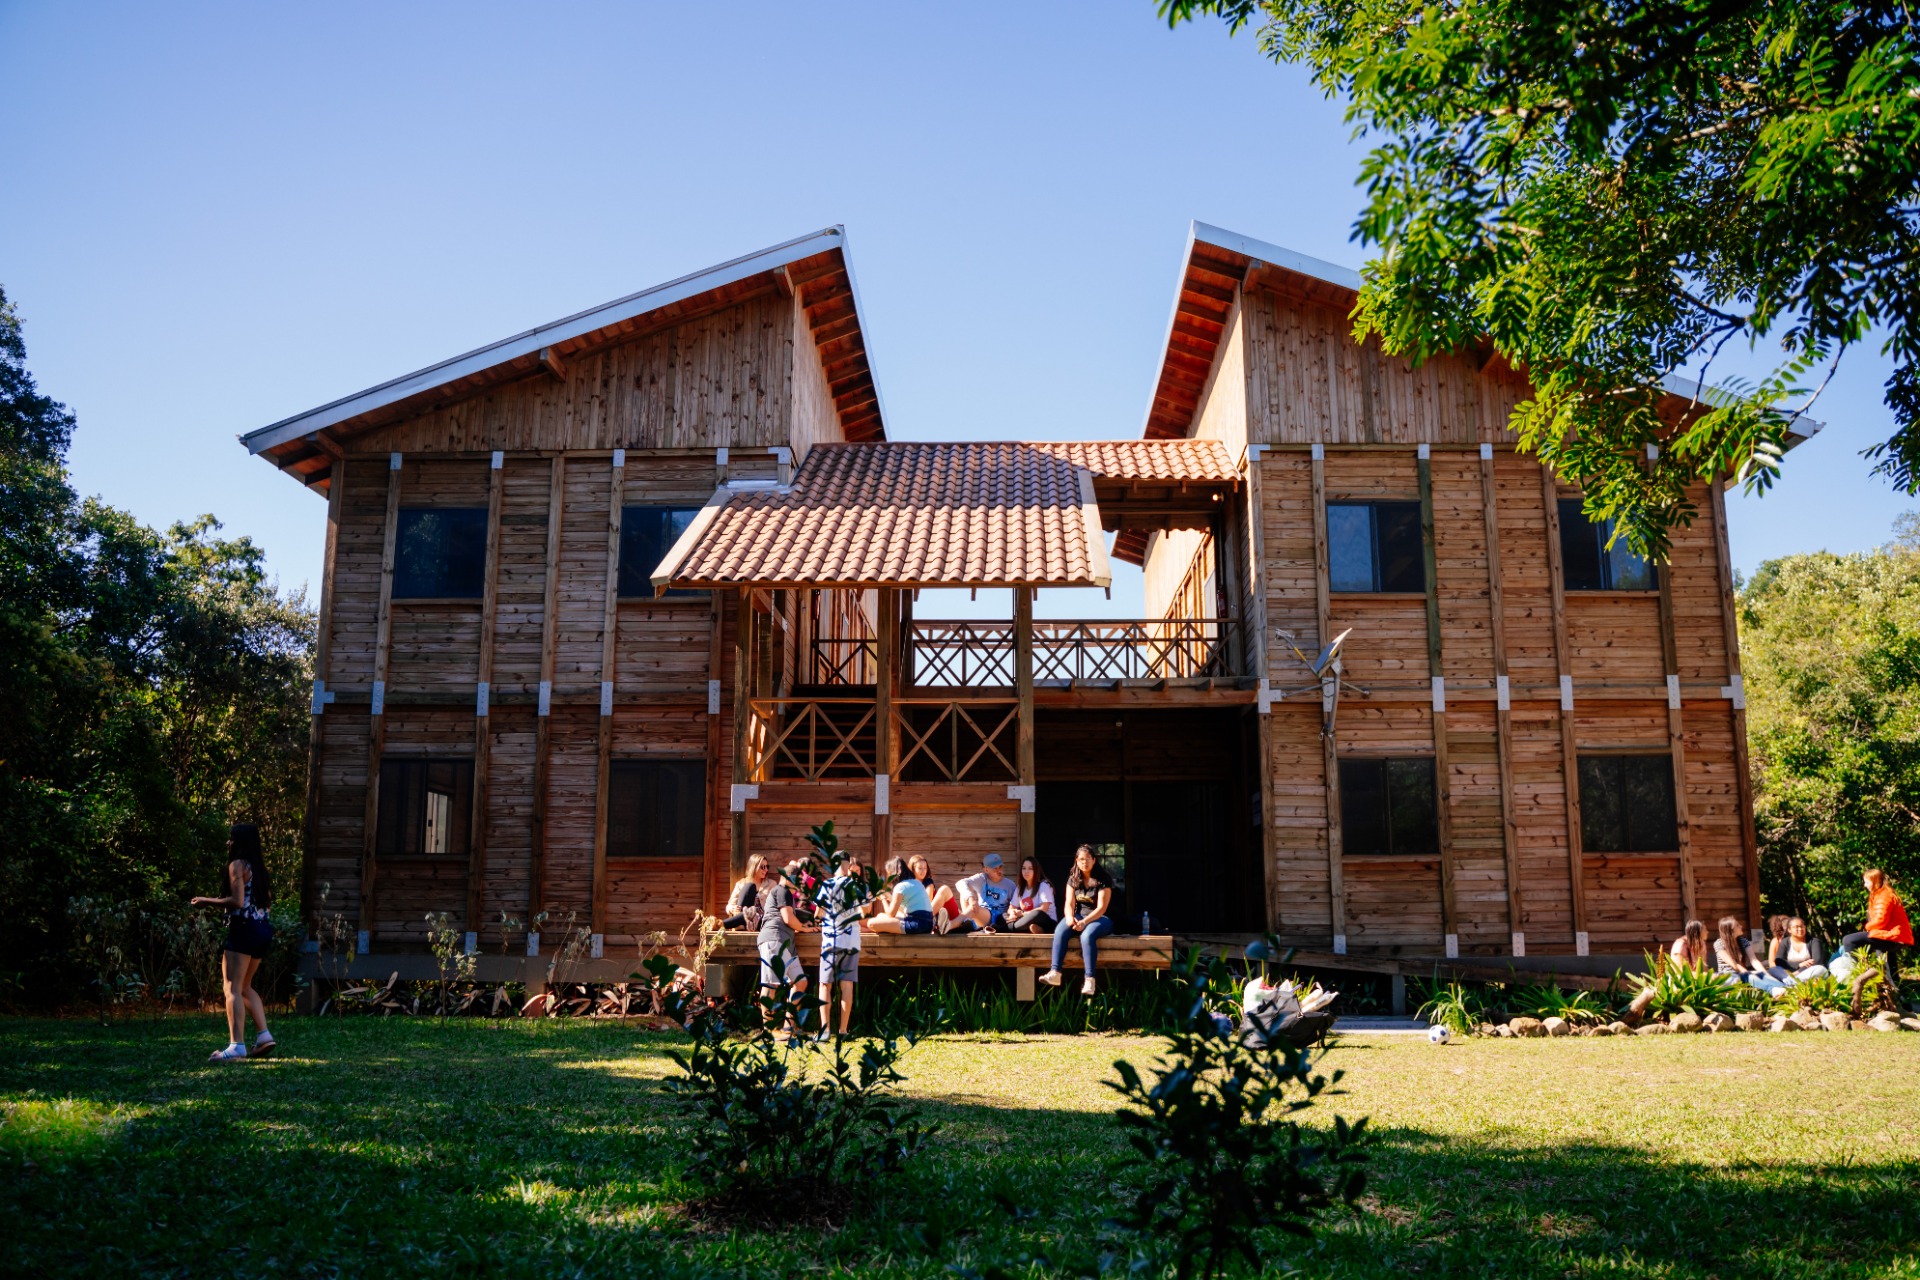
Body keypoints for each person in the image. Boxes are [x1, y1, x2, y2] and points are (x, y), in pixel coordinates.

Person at [189, 824, 276, 1062]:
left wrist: (206, 901)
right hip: (262, 930)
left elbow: (237, 901)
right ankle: (264, 1036)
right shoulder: (260, 870)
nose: (228, 843)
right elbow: (263, 904)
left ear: (239, 842)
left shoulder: (237, 865)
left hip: (244, 930)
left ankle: (236, 1047)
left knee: (231, 988)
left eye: (231, 839)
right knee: (246, 986)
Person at [1038, 845, 1115, 996]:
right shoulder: (1073, 879)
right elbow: (1069, 903)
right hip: (1079, 916)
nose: (1084, 862)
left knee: (1086, 936)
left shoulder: (1103, 880)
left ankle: (1089, 980)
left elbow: (1101, 908)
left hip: (1100, 918)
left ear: (1094, 860)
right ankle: (1055, 973)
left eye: (1087, 859)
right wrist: (1069, 917)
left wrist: (1085, 922)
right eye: (1081, 859)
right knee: (1060, 930)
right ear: (1076, 861)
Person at [757, 858, 814, 1036]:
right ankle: (768, 1030)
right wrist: (804, 927)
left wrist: (805, 927)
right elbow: (788, 919)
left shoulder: (785, 893)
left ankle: (789, 1026)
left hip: (786, 943)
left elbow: (791, 920)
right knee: (771, 985)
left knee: (800, 981)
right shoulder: (782, 890)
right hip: (774, 939)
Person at [815, 855, 868, 1038]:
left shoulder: (827, 884)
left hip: (831, 939)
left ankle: (825, 1031)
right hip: (852, 940)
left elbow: (818, 912)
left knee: (825, 985)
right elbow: (865, 911)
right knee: (847, 986)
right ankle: (843, 1030)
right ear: (849, 865)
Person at [1838, 868, 1913, 982]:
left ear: (1875, 881)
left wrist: (1867, 927)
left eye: (1866, 882)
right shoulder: (1881, 894)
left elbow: (1880, 921)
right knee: (1886, 958)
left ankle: (1862, 974)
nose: (1865, 885)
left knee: (1848, 940)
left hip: (1892, 937)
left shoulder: (1883, 896)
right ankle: (1897, 987)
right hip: (1894, 936)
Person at [1713, 916, 1785, 995]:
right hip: (1728, 976)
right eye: (1737, 925)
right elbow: (1734, 965)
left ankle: (1787, 989)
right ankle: (1773, 990)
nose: (1741, 926)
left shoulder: (1743, 941)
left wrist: (1765, 974)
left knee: (1763, 975)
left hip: (1742, 973)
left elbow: (1754, 960)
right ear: (1731, 930)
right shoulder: (1719, 944)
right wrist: (1748, 973)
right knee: (1751, 976)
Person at [865, 857, 937, 934]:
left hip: (917, 924)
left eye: (888, 873)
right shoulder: (916, 882)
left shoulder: (900, 886)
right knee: (880, 916)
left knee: (871, 923)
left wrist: (883, 898)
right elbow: (902, 910)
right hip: (927, 924)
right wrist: (887, 896)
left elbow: (890, 914)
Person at [952, 853, 1018, 935]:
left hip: (996, 919)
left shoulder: (1010, 885)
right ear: (986, 870)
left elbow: (1015, 906)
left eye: (1000, 867)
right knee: (965, 893)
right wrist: (971, 898)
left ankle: (952, 925)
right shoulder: (982, 878)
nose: (999, 870)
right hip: (979, 914)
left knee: (974, 908)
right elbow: (960, 883)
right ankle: (966, 922)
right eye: (995, 868)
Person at [908, 854, 961, 934]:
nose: (923, 871)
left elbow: (927, 900)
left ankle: (924, 922)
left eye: (925, 868)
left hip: (948, 914)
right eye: (920, 868)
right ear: (912, 869)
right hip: (934, 919)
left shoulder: (928, 882)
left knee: (944, 889)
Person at [1772, 916, 1828, 985]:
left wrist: (1798, 971)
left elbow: (1817, 961)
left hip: (1808, 972)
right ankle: (1790, 982)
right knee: (1773, 970)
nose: (1800, 929)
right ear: (1789, 930)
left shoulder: (1814, 941)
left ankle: (1791, 983)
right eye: (1796, 927)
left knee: (1820, 969)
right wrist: (1798, 965)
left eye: (1802, 926)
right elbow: (1779, 961)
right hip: (1789, 974)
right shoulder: (1784, 942)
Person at [1005, 858, 1056, 934]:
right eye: (1024, 868)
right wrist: (1012, 913)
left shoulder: (1044, 885)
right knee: (1002, 916)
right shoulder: (1020, 887)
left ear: (1036, 870)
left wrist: (1022, 914)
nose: (1026, 871)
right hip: (1025, 920)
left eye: (1030, 868)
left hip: (1047, 922)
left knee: (1037, 913)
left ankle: (1006, 928)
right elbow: (1011, 907)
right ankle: (1035, 929)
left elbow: (1043, 909)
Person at [721, 854, 769, 930]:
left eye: (767, 867)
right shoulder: (741, 884)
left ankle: (720, 924)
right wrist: (732, 908)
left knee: (750, 914)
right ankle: (740, 924)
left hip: (761, 921)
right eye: (762, 867)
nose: (766, 870)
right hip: (744, 920)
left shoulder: (771, 885)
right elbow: (729, 905)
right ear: (754, 867)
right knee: (749, 886)